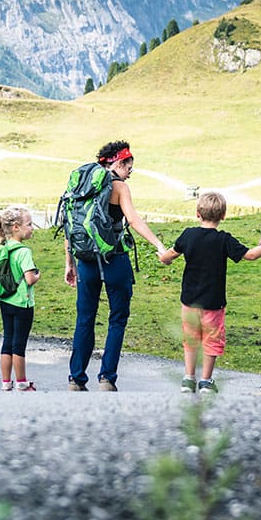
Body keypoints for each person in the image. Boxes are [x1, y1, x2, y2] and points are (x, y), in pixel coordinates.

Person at [65, 141, 169, 391]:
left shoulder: (82, 182)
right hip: (114, 259)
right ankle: (107, 378)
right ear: (119, 163)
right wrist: (159, 245)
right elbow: (132, 219)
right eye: (129, 167)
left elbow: (71, 224)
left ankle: (76, 379)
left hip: (86, 260)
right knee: (117, 318)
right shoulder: (119, 186)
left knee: (85, 319)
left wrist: (69, 263)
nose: (130, 172)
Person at [159, 191, 261, 394]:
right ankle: (206, 381)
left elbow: (169, 256)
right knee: (212, 340)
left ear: (197, 213)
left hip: (190, 301)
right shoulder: (224, 240)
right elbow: (251, 255)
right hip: (214, 302)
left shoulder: (188, 235)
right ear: (223, 216)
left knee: (191, 338)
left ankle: (188, 378)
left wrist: (163, 257)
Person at [0, 206, 41, 392]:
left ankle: (5, 382)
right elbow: (29, 279)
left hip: (5, 301)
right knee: (19, 344)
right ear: (16, 227)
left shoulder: (2, 247)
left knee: (7, 341)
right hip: (22, 304)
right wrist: (38, 275)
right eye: (29, 224)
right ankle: (22, 382)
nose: (32, 228)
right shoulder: (24, 251)